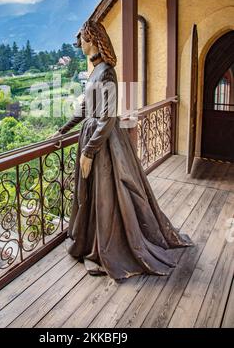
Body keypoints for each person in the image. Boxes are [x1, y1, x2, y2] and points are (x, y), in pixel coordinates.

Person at [51, 20, 194, 281]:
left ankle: (105, 248)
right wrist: (62, 129)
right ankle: (93, 243)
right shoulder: (95, 70)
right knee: (94, 195)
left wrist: (89, 151)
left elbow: (108, 118)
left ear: (92, 39)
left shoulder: (106, 71)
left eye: (82, 40)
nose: (80, 45)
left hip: (102, 143)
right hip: (92, 137)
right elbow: (86, 108)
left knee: (106, 196)